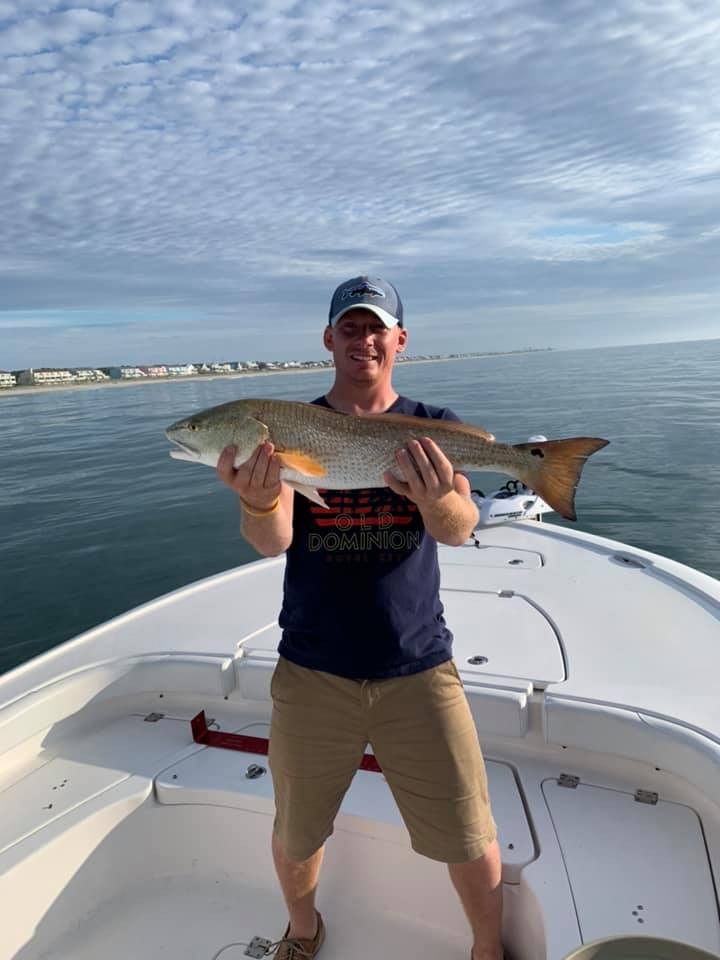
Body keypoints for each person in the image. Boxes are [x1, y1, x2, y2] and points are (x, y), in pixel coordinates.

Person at [217, 277, 503, 960]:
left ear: (399, 340)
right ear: (329, 340)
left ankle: (488, 949)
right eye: (350, 327)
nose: (364, 339)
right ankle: (304, 931)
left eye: (377, 327)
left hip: (418, 664)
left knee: (469, 830)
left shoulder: (432, 424)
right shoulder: (285, 433)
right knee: (296, 832)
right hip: (314, 669)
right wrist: (258, 501)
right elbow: (274, 540)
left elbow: (461, 528)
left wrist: (437, 500)